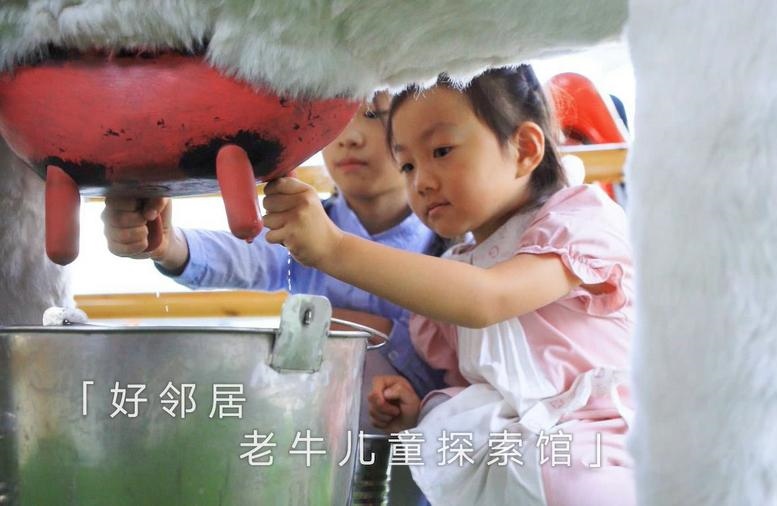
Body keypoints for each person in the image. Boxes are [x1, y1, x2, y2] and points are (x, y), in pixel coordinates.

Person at [260, 65, 636, 506]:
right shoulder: (456, 267)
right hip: (517, 463)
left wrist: (335, 249)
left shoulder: (577, 223)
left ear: (524, 148)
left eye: (441, 151)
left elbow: (489, 298)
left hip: (601, 447)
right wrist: (416, 406)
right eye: (407, 164)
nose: (421, 181)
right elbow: (479, 382)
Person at [100, 92, 446, 432]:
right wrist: (168, 244)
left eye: (372, 115)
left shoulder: (450, 243)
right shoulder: (302, 226)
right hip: (311, 435)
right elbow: (245, 254)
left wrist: (366, 329)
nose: (348, 138)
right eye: (334, 116)